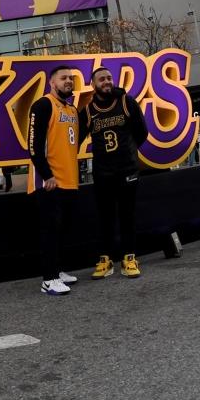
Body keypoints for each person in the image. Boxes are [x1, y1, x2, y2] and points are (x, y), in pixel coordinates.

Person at [79, 66, 148, 280]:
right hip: (103, 173)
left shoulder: (127, 102)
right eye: (102, 79)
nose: (107, 82)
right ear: (93, 84)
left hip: (127, 169)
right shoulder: (88, 111)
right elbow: (77, 139)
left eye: (109, 78)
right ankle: (106, 259)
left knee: (127, 215)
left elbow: (142, 132)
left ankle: (129, 257)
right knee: (105, 217)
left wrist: (127, 152)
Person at [27, 66, 82, 296]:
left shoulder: (72, 108)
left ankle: (58, 271)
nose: (68, 81)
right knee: (49, 230)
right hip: (49, 181)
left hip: (69, 180)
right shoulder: (42, 105)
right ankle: (48, 280)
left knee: (62, 230)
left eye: (70, 78)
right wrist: (46, 174)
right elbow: (33, 145)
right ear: (52, 83)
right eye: (63, 78)